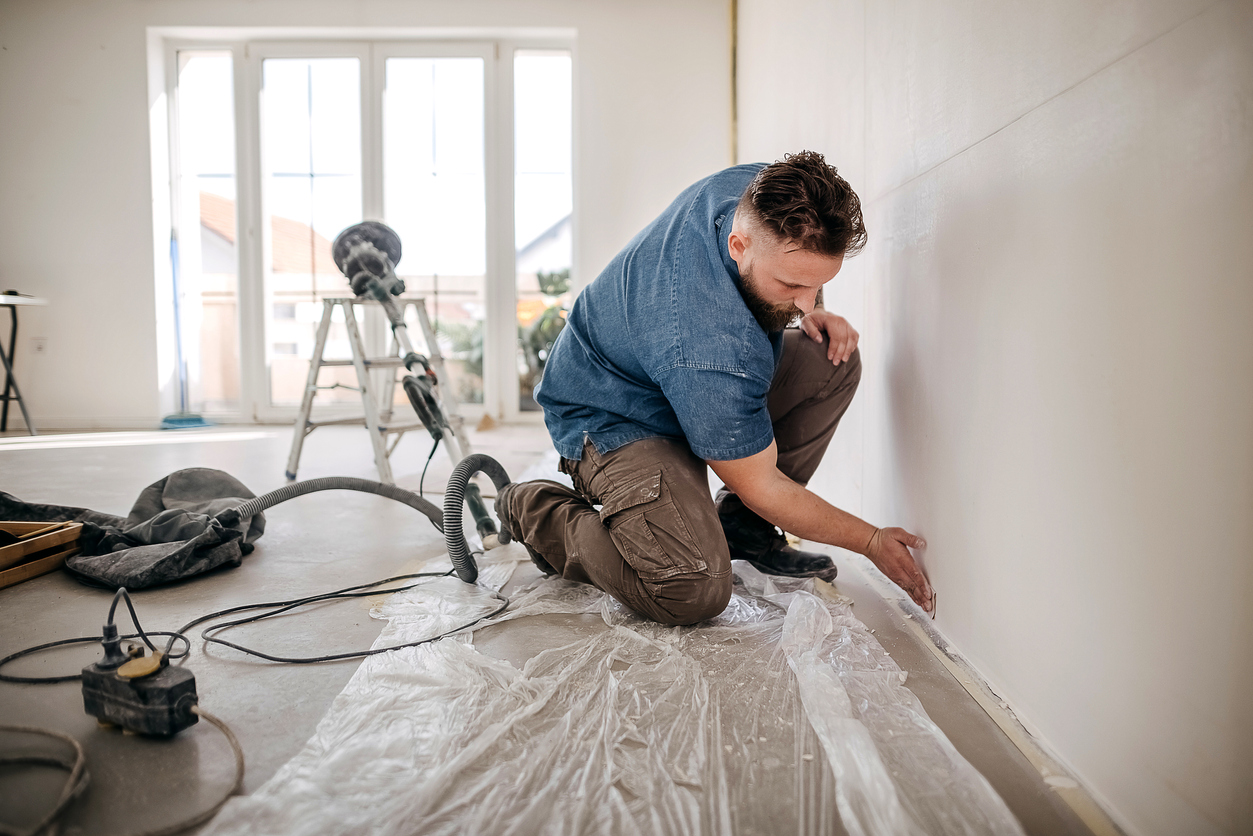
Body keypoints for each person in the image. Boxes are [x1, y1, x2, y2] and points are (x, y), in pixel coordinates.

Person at [495, 151, 934, 626]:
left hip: (668, 368)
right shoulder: (709, 344)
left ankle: (743, 529)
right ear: (738, 245)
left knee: (830, 360)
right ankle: (536, 508)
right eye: (791, 285)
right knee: (691, 587)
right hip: (613, 411)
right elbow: (761, 483)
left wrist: (810, 300)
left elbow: (800, 271)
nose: (805, 305)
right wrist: (869, 540)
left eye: (818, 285)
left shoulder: (765, 192)